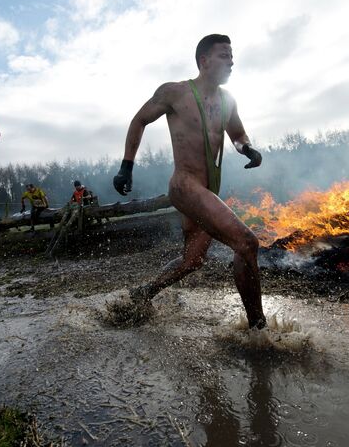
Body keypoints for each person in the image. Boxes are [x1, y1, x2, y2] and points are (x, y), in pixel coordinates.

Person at [112, 34, 267, 329]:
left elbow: (237, 135)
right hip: (185, 185)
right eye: (224, 55)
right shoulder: (175, 92)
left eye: (232, 56)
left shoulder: (228, 101)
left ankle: (143, 294)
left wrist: (248, 148)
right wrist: (126, 167)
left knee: (192, 261)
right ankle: (258, 328)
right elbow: (139, 120)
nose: (232, 61)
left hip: (208, 191)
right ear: (204, 61)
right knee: (247, 243)